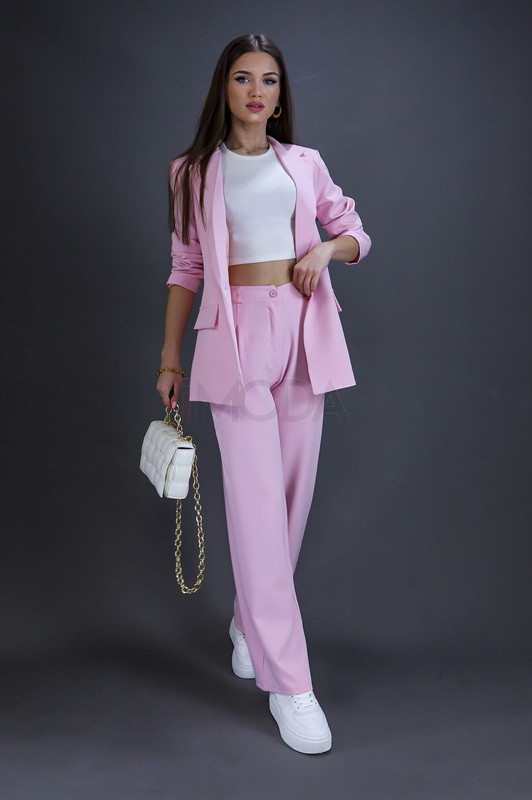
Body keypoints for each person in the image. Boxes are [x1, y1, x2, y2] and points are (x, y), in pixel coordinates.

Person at [156, 33, 371, 754]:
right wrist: (170, 359)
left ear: (280, 96)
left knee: (289, 501)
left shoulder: (304, 163)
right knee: (254, 512)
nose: (257, 91)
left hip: (304, 332)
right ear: (225, 88)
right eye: (244, 78)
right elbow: (186, 268)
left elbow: (355, 234)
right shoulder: (191, 172)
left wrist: (325, 249)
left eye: (269, 80)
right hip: (236, 339)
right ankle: (290, 684)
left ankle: (251, 621)